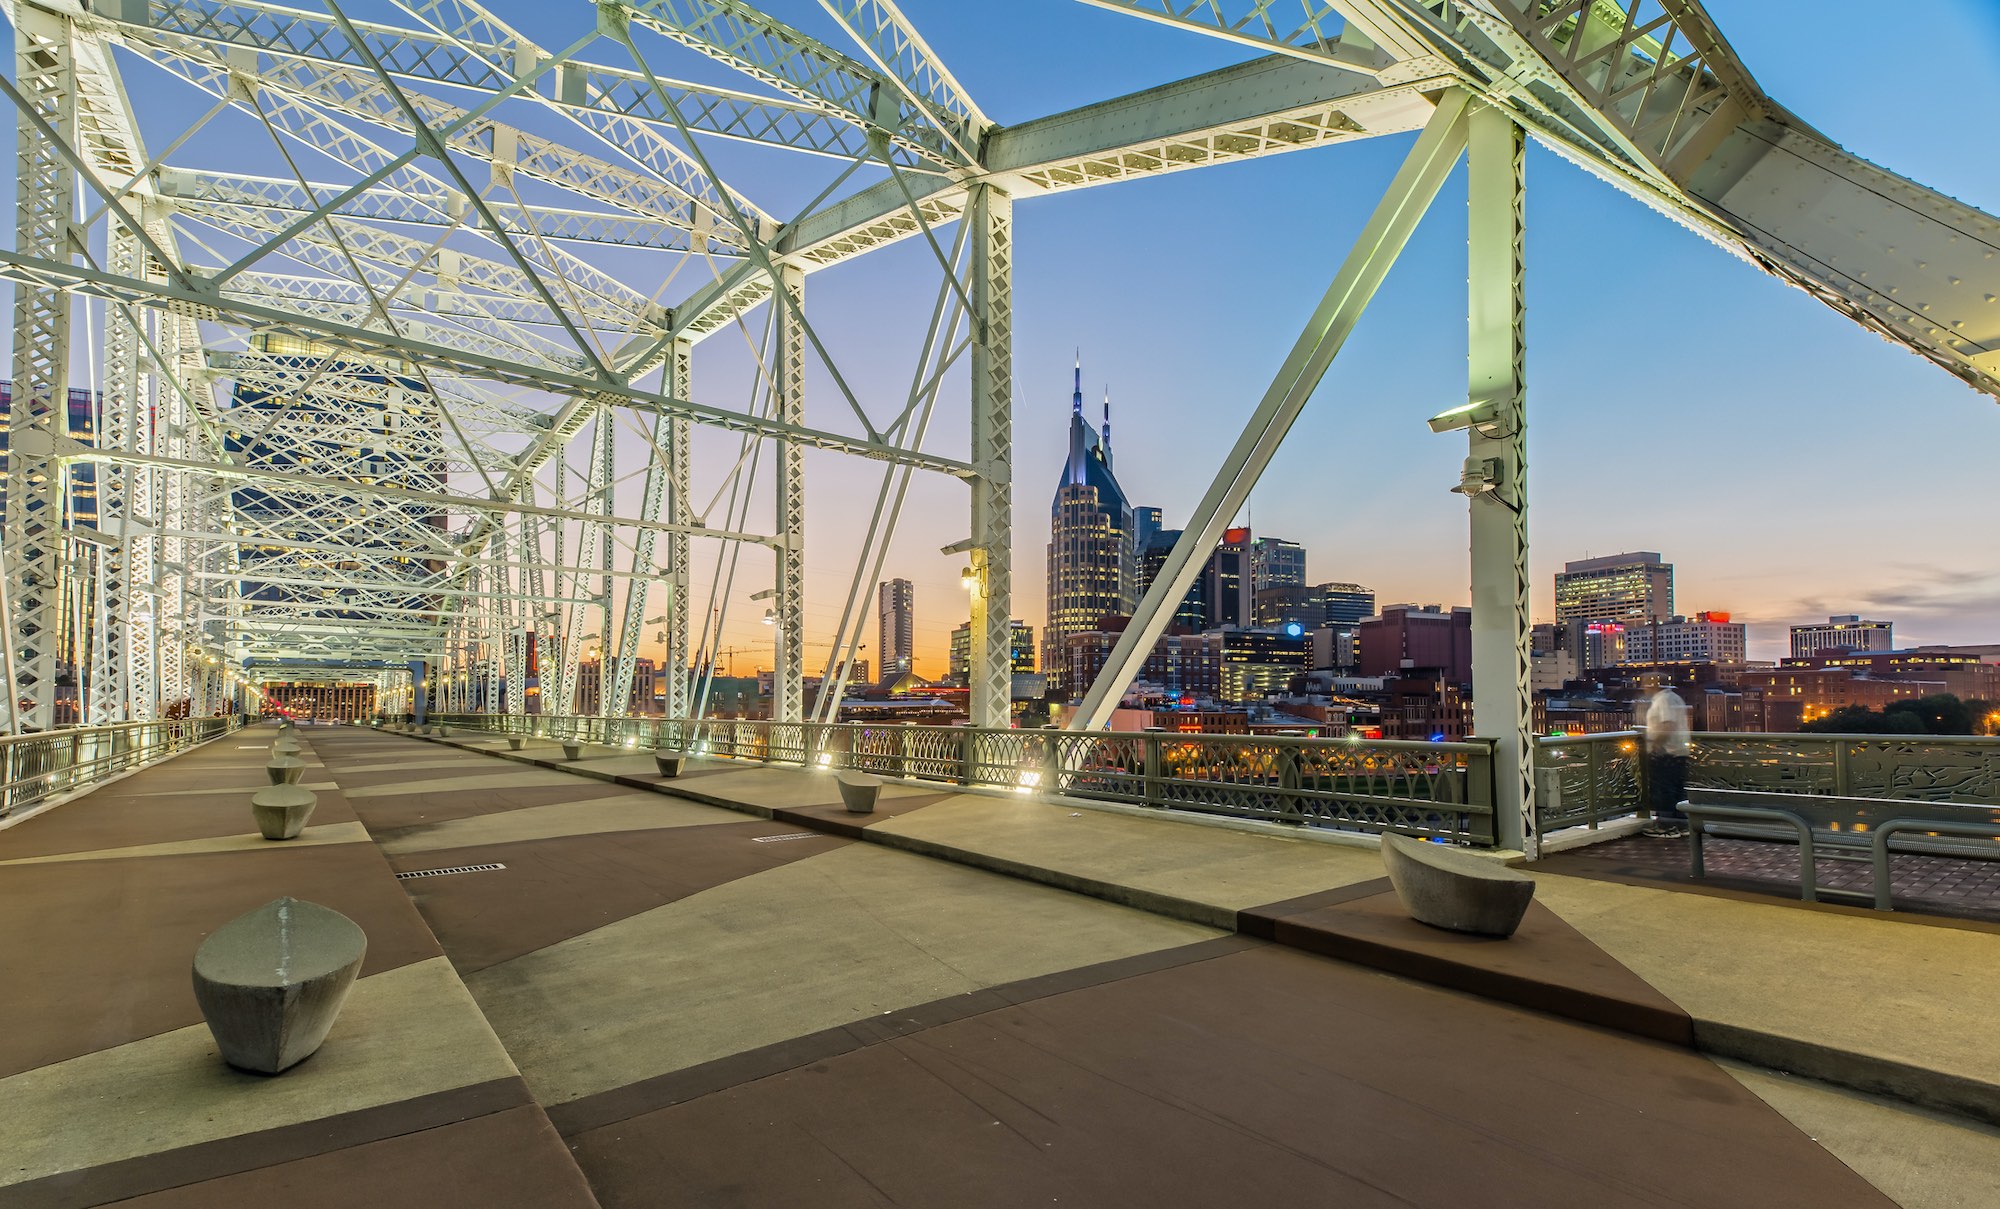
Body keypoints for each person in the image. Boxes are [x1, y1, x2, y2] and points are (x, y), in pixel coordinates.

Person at [1642, 685, 1691, 838]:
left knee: (1664, 791)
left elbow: (1668, 725)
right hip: (1680, 752)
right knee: (1678, 791)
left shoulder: (1663, 699)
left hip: (1666, 753)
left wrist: (1656, 744)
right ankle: (1682, 825)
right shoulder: (1676, 697)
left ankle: (1666, 826)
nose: (1644, 687)